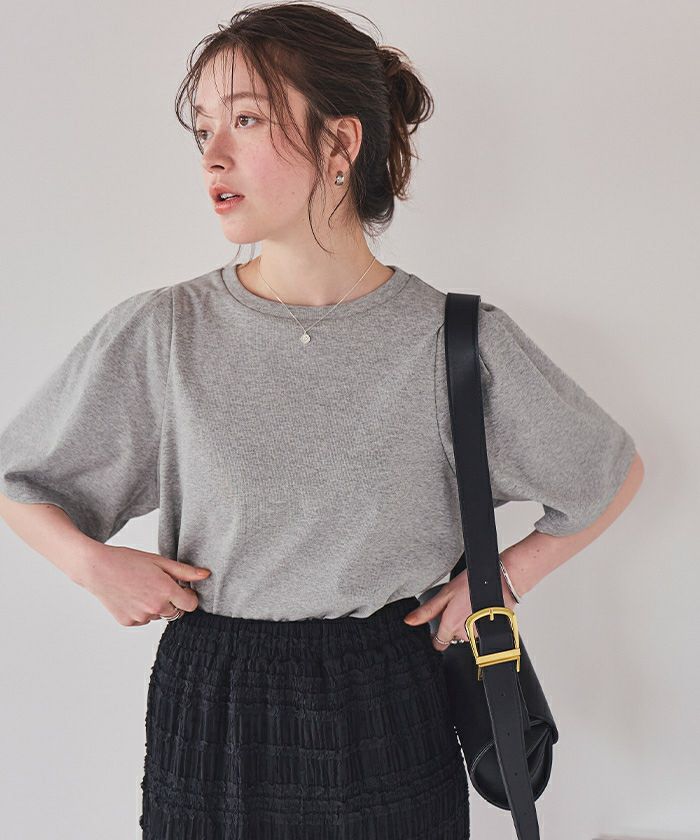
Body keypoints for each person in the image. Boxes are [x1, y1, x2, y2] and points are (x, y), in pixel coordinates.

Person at [0, 3, 644, 838]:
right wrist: (92, 566)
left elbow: (607, 473)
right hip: (215, 702)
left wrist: (504, 580)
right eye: (204, 128)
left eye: (245, 120)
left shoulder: (453, 339)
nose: (213, 154)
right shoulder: (166, 331)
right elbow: (21, 480)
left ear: (340, 144)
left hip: (390, 697)